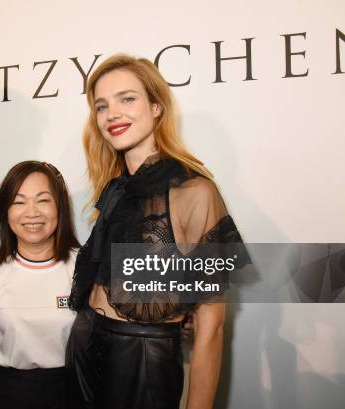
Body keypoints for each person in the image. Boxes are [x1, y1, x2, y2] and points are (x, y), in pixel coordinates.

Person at [66, 54, 248, 409]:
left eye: (127, 98)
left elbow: (211, 328)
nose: (112, 114)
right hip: (85, 343)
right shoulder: (115, 189)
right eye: (101, 106)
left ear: (156, 107)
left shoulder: (194, 192)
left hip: (144, 357)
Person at [0, 161, 80, 409]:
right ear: (5, 212)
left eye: (43, 200)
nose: (32, 212)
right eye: (19, 201)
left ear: (59, 207)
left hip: (71, 393)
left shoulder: (83, 267)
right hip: (7, 394)